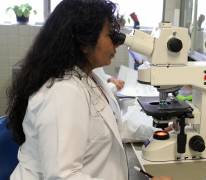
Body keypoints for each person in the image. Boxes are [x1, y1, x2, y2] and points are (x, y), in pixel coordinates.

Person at [6, 0, 171, 179]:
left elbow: (114, 129)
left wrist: (158, 130)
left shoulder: (88, 77)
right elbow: (63, 176)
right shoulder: (63, 93)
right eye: (110, 35)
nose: (117, 43)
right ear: (84, 43)